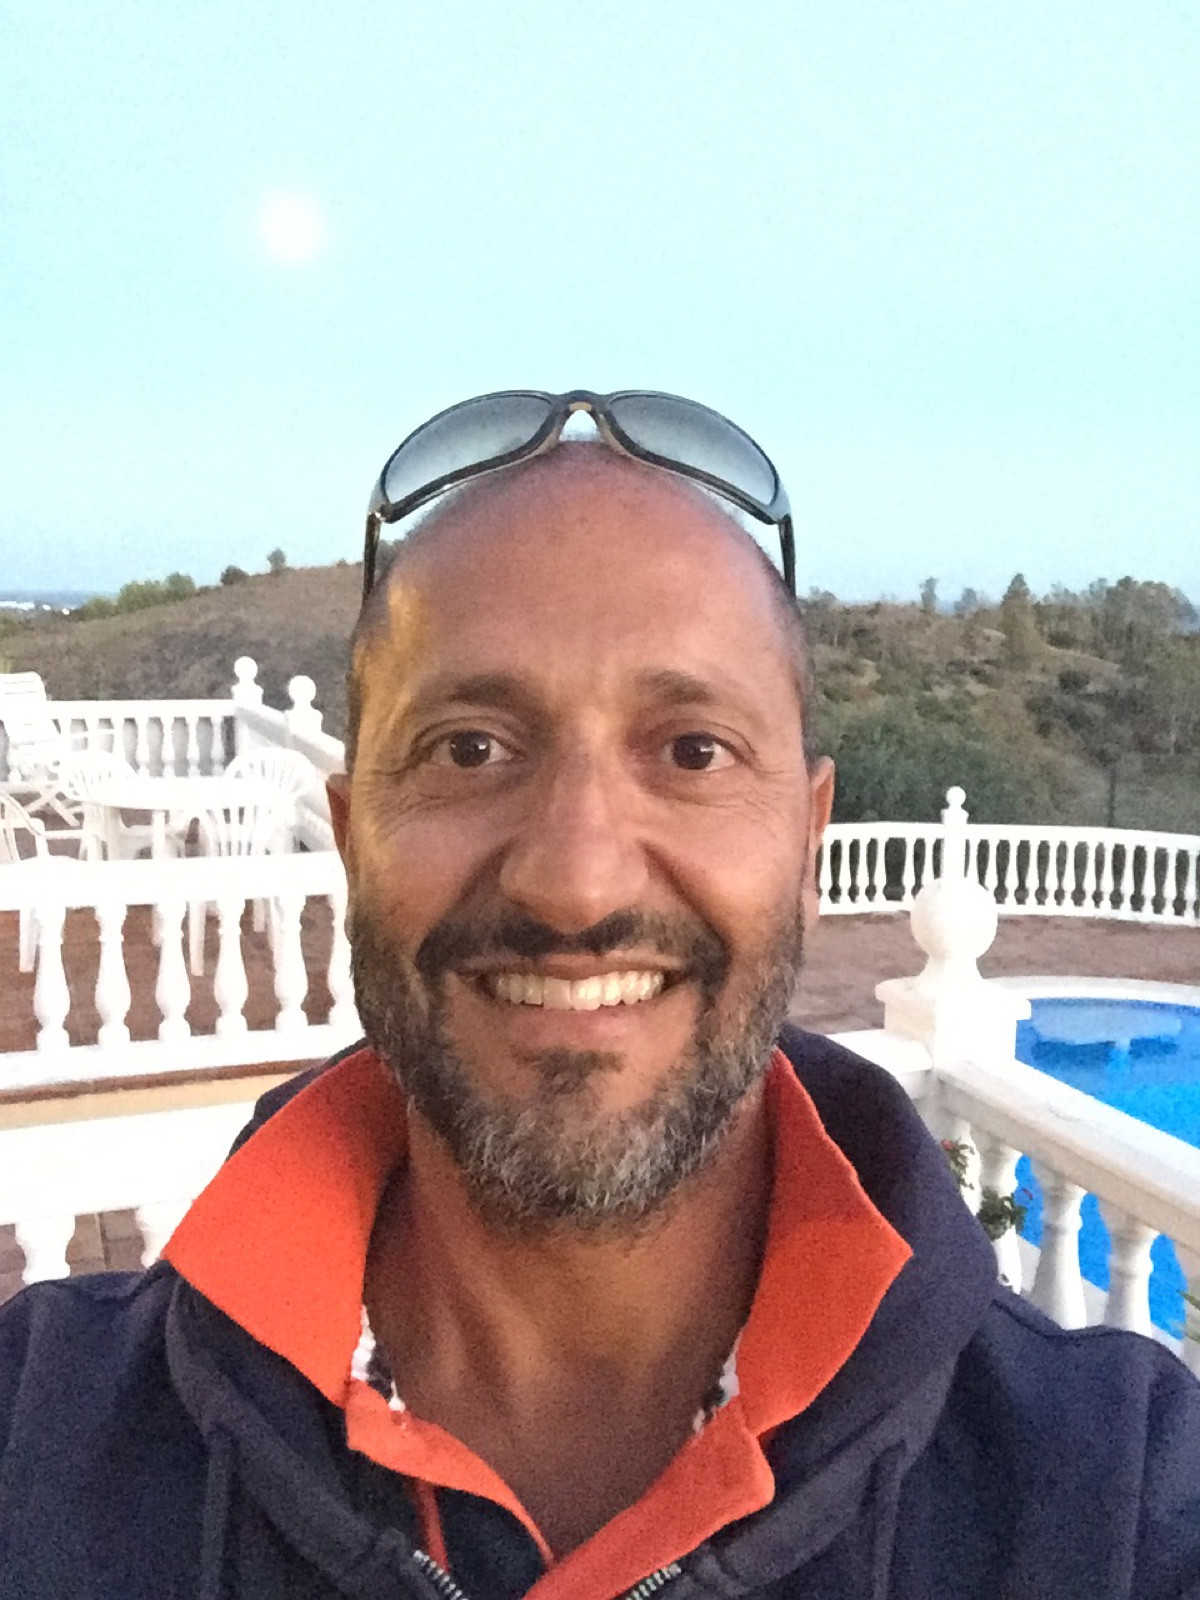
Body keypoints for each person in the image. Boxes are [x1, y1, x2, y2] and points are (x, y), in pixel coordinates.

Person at [1, 389, 1198, 1600]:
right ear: (354, 841)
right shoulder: (37, 1434)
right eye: (470, 748)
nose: (575, 881)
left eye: (692, 751)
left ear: (807, 845)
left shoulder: (1114, 1495)